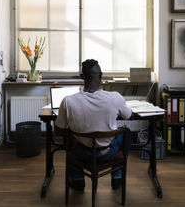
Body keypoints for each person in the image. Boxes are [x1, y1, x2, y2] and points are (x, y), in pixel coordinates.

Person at [55, 59, 133, 191]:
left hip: (81, 153)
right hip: (107, 152)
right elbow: (129, 116)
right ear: (101, 76)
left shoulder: (68, 101)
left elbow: (58, 131)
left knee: (69, 135)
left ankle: (78, 179)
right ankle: (117, 176)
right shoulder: (115, 97)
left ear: (82, 77)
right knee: (127, 132)